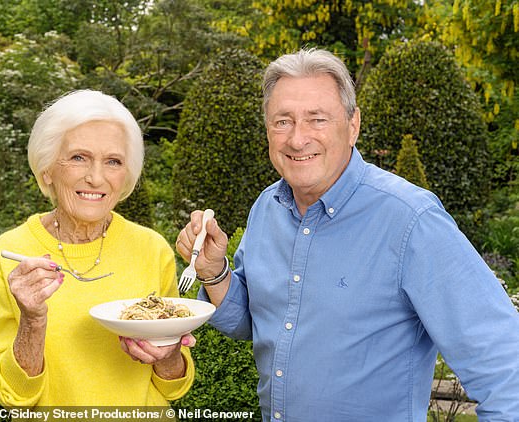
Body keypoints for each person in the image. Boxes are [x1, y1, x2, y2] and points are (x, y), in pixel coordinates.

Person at [176, 48, 519, 421]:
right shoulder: (266, 208)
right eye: (282, 121)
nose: (298, 139)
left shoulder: (411, 221)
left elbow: (505, 369)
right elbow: (251, 321)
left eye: (317, 119)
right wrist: (214, 271)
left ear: (353, 125)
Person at [0, 90, 195, 408]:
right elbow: (13, 395)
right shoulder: (12, 250)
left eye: (113, 161)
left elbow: (174, 386)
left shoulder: (152, 249)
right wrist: (32, 320)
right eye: (78, 157)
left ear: (126, 176)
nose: (96, 178)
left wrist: (167, 355)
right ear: (47, 169)